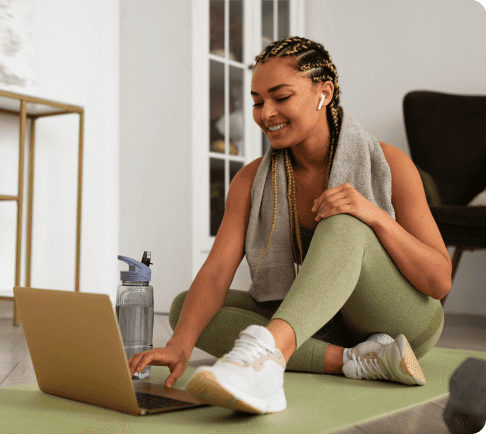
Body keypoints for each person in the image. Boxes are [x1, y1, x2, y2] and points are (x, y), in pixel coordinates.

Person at [127, 36, 452, 414]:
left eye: (281, 98)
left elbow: (439, 280)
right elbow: (217, 271)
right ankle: (354, 359)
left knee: (343, 221)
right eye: (257, 101)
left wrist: (371, 214)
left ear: (323, 92)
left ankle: (266, 360)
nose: (266, 113)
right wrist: (179, 347)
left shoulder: (390, 163)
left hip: (404, 322)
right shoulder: (251, 181)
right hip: (331, 322)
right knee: (187, 310)